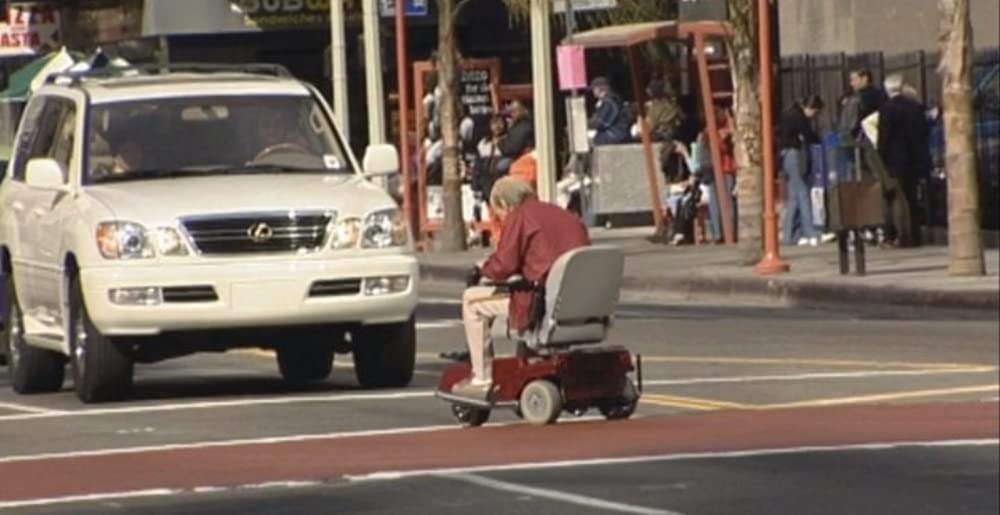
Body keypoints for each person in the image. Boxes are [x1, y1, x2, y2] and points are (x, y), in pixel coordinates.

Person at [451, 177, 590, 401]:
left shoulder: (520, 216)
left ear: (505, 204)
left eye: (499, 214)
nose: (501, 220)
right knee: (520, 287)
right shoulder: (563, 215)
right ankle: (529, 362)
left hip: (543, 301)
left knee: (471, 300)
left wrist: (482, 272)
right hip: (579, 300)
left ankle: (481, 377)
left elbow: (503, 264)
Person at [877, 74, 931, 247]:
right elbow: (924, 131)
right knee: (912, 196)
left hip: (896, 159)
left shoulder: (887, 109)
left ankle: (902, 235)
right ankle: (915, 235)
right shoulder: (915, 107)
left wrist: (882, 157)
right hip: (915, 157)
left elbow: (884, 138)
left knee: (899, 199)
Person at [778, 95, 824, 246]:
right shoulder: (799, 117)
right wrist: (819, 140)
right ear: (811, 108)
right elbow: (809, 135)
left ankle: (789, 234)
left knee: (794, 196)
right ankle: (810, 231)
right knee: (802, 193)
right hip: (794, 153)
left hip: (785, 154)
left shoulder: (789, 114)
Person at [587, 77, 632, 145]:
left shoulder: (609, 102)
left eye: (594, 89)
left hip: (614, 134)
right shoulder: (611, 100)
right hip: (618, 133)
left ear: (600, 89)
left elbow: (601, 122)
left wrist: (586, 124)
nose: (593, 92)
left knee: (585, 140)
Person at [495, 100, 534, 175]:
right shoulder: (517, 125)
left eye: (514, 111)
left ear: (523, 110)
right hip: (516, 155)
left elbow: (512, 149)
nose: (512, 114)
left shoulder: (524, 127)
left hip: (519, 158)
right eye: (511, 112)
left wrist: (499, 143)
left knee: (499, 166)